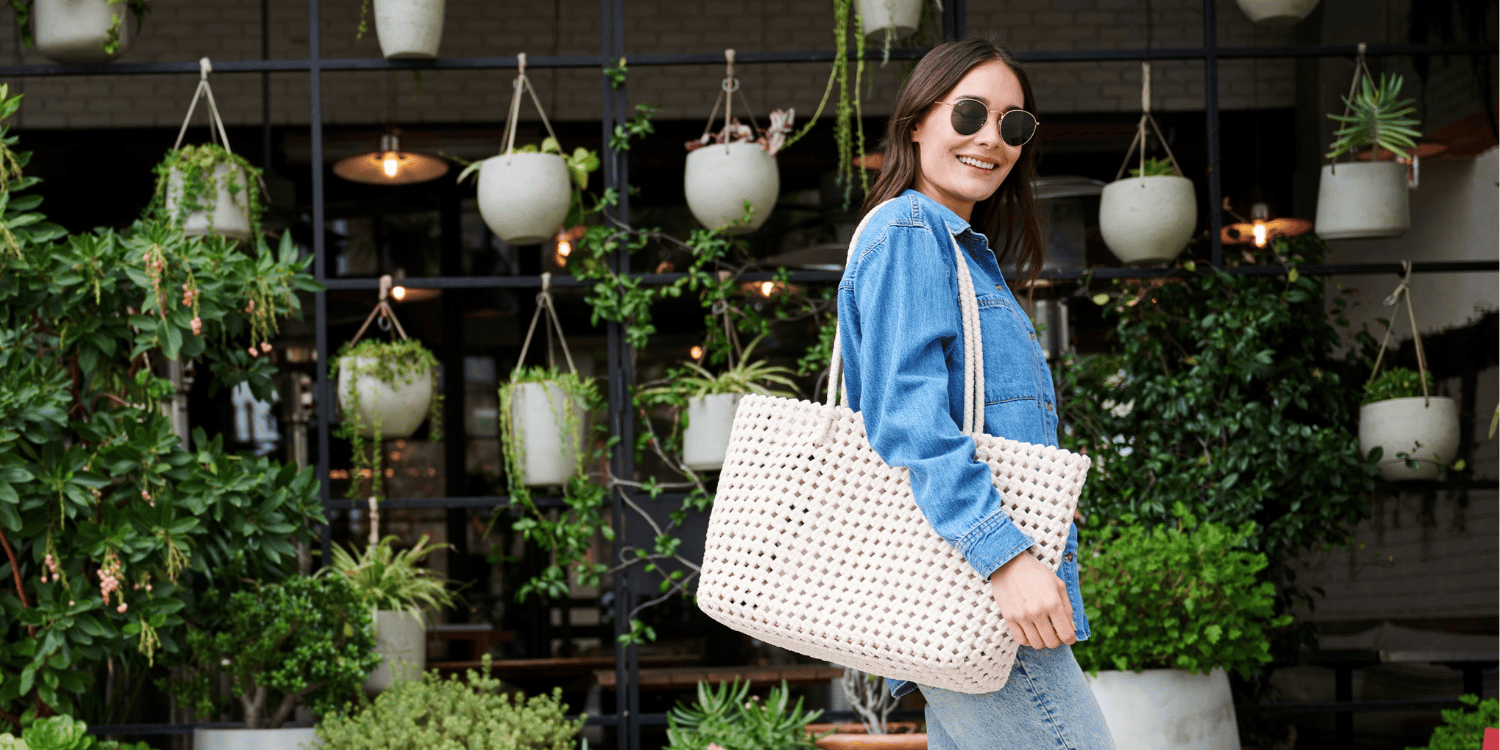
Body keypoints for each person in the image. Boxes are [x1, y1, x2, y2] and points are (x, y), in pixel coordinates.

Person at [836, 38, 1115, 749]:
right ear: (916, 123)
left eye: (1012, 124)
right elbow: (909, 423)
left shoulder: (955, 249)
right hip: (978, 588)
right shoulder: (909, 232)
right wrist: (1006, 559)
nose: (992, 138)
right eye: (969, 114)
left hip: (966, 594)